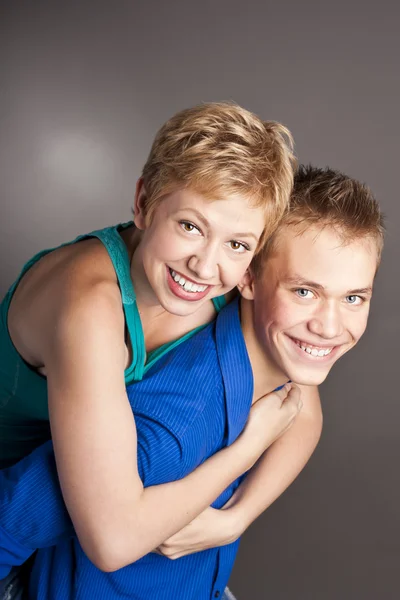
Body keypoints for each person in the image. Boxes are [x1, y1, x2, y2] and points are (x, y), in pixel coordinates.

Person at [0, 166, 384, 599]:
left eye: (353, 298)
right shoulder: (172, 426)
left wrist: (235, 519)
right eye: (304, 292)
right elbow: (12, 519)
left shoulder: (276, 360)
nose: (330, 327)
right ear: (250, 280)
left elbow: (303, 407)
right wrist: (246, 450)